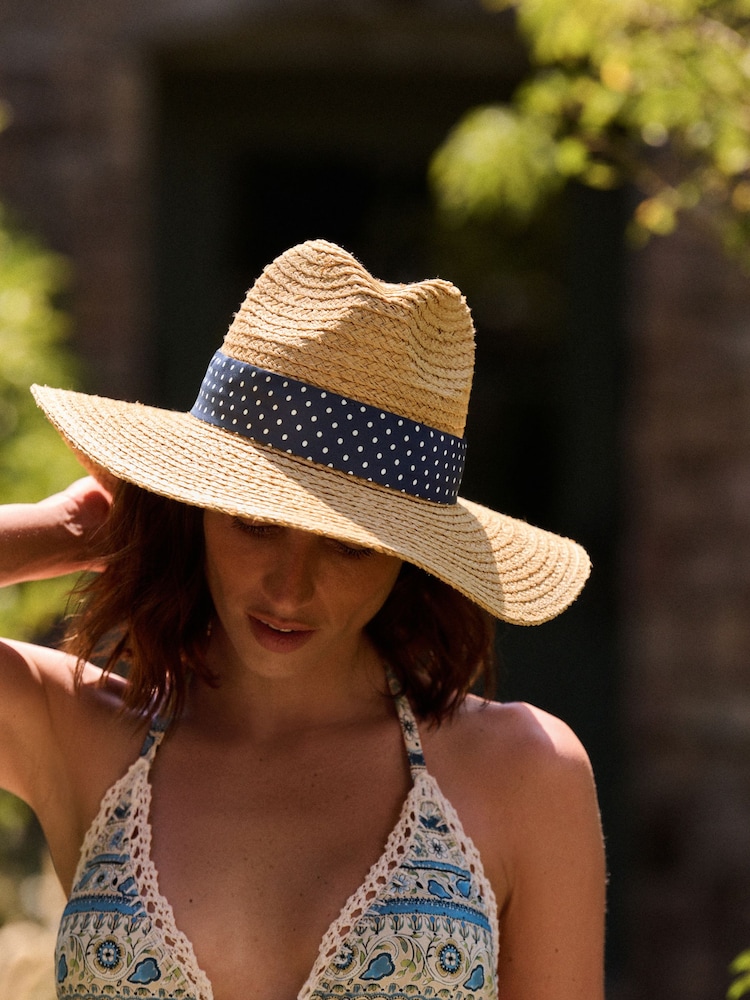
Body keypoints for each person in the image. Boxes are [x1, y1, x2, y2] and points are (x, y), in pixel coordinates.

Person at [0, 239, 606, 1000]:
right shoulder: (81, 732)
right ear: (200, 514)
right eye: (254, 525)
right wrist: (61, 533)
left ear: (409, 557)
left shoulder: (525, 772)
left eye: (350, 549)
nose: (290, 588)